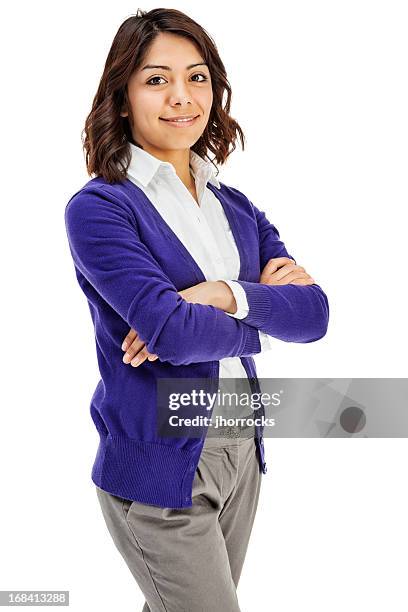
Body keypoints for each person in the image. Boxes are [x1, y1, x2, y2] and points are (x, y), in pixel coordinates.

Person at [64, 8, 329, 611]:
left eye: (198, 77)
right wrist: (261, 307)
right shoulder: (102, 209)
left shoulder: (235, 207)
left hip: (241, 448)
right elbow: (171, 333)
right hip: (161, 459)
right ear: (123, 97)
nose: (182, 96)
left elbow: (313, 316)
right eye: (157, 79)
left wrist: (223, 294)